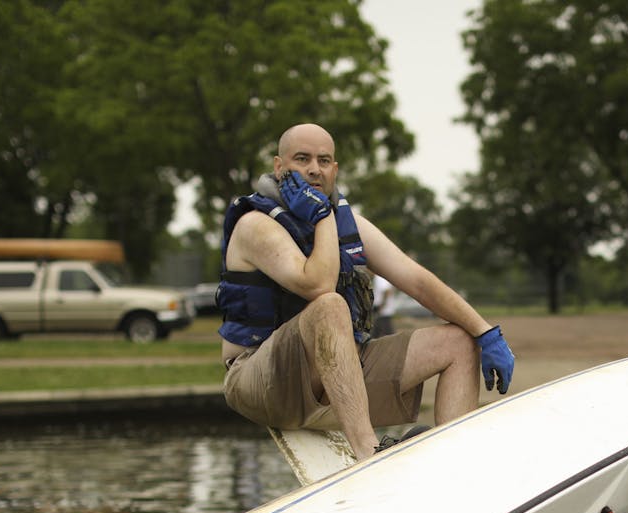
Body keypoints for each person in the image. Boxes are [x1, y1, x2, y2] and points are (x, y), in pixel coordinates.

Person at [217, 122, 514, 458]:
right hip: (261, 381)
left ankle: (453, 465)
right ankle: (369, 454)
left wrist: (484, 332)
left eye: (324, 161)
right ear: (279, 166)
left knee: (460, 342)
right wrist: (322, 215)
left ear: (335, 169)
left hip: (336, 381)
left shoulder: (349, 222)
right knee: (329, 304)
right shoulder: (255, 225)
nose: (314, 169)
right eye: (302, 159)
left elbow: (416, 280)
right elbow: (318, 284)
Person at [371, 272, 397, 338]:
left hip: (382, 311)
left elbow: (387, 291)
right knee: (376, 332)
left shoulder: (379, 278)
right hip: (382, 310)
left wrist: (381, 306)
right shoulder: (382, 276)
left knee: (389, 334)